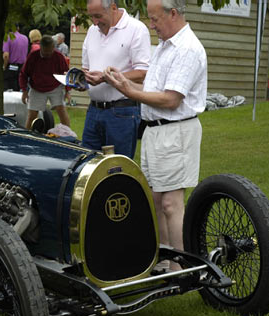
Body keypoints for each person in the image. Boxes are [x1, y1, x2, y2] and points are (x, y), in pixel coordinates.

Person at [104, 0, 207, 272]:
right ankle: (165, 261)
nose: (151, 25)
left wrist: (129, 92)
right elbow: (155, 87)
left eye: (155, 19)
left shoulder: (187, 48)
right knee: (156, 200)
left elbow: (171, 99)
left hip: (175, 131)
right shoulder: (166, 45)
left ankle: (183, 269)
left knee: (172, 204)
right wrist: (126, 82)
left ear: (173, 13)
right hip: (155, 132)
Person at [81, 0, 151, 158]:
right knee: (88, 165)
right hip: (93, 110)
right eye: (91, 16)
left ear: (113, 8)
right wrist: (81, 80)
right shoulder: (92, 31)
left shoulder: (136, 29)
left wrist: (107, 78)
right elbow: (86, 68)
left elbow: (142, 73)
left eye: (98, 16)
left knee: (117, 168)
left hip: (122, 111)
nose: (94, 22)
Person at [19, 35, 70, 129]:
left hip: (55, 87)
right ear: (41, 47)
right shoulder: (33, 56)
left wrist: (67, 91)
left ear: (53, 48)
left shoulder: (58, 57)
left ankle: (69, 134)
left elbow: (66, 75)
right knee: (32, 115)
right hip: (36, 88)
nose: (48, 54)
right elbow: (23, 74)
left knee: (61, 110)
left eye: (50, 51)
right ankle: (28, 135)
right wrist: (24, 91)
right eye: (45, 52)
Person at [3, 24, 29, 91]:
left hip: (11, 67)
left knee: (9, 90)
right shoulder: (25, 38)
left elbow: (6, 55)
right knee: (19, 88)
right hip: (22, 68)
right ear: (18, 28)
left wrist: (4, 66)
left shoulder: (7, 37)